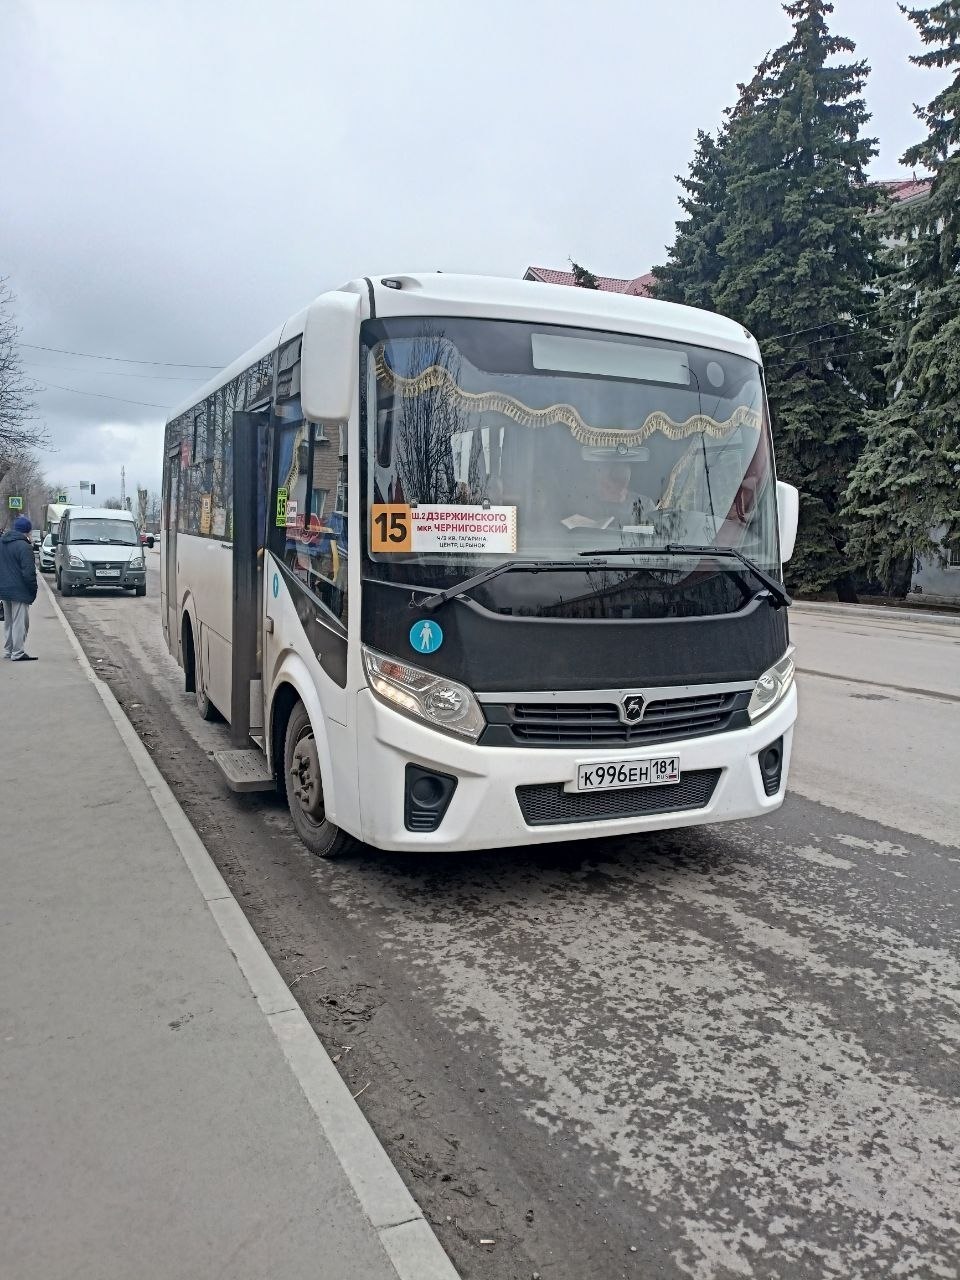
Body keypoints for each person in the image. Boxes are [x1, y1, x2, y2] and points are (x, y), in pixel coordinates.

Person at [1, 515, 39, 661]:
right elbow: (29, 572)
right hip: (19, 590)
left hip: (4, 589)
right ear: (27, 531)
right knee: (20, 623)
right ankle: (17, 652)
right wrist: (33, 590)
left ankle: (9, 650)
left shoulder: (2, 542)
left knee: (9, 622)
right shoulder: (24, 546)